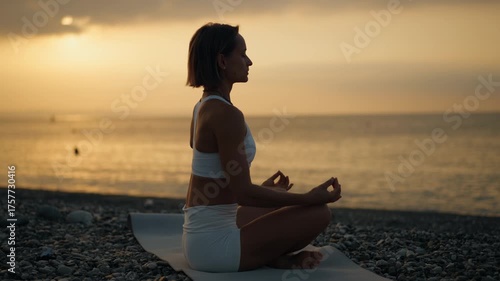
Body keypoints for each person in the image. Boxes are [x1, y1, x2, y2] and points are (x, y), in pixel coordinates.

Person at [182, 22, 342, 273]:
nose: (249, 61)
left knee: (278, 203)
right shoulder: (226, 114)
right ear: (222, 61)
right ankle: (270, 258)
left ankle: (270, 257)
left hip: (197, 236)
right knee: (318, 213)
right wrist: (308, 198)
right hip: (214, 250)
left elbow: (211, 175)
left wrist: (267, 192)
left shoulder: (202, 106)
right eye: (243, 54)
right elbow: (244, 193)